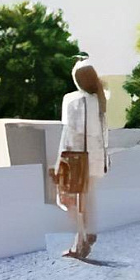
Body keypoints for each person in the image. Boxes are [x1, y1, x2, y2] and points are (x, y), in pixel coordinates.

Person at [53, 57, 111, 259]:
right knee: (86, 199)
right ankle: (84, 238)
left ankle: (83, 240)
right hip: (95, 158)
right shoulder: (100, 100)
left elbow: (70, 133)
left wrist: (61, 160)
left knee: (74, 202)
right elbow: (103, 133)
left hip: (77, 157)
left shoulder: (73, 100)